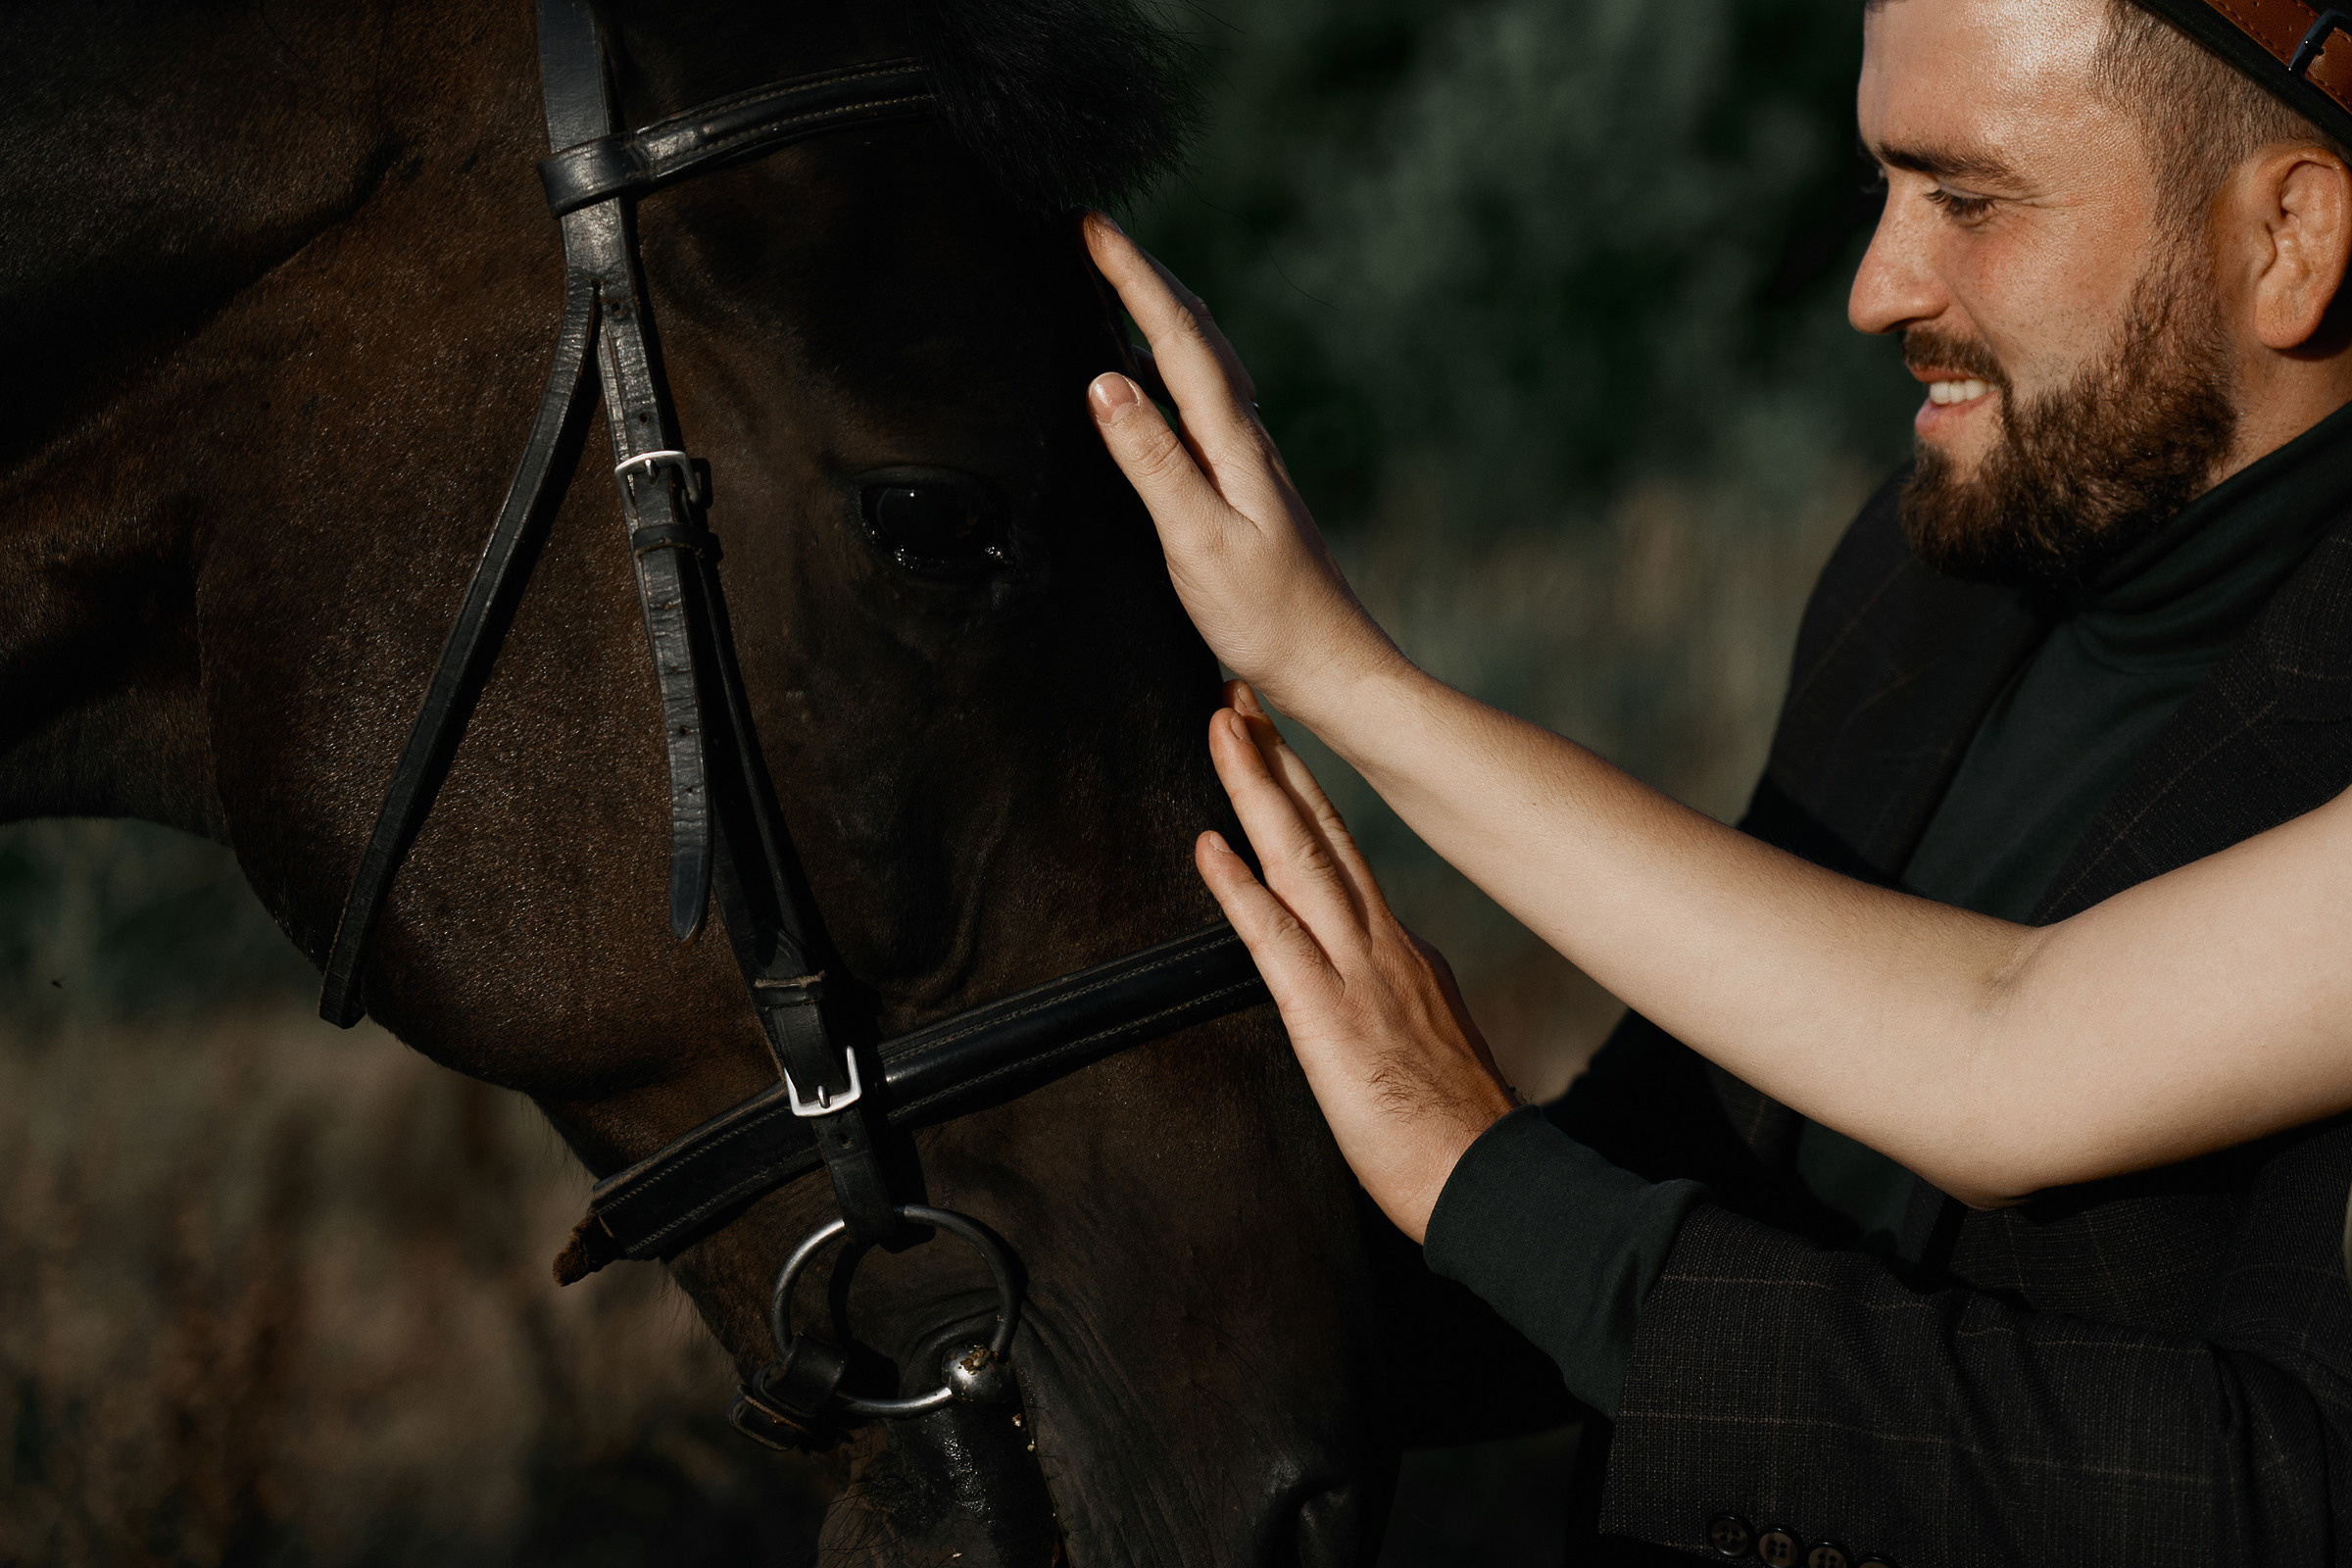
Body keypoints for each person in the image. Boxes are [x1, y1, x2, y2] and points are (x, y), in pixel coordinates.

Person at [1084, 0, 2352, 1562]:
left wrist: (1349, 681)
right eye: (1882, 187)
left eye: (1968, 200)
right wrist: (1087, 1274)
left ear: (2290, 236)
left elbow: (2270, 1498)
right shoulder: (1931, 585)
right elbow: (1694, 1148)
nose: (1874, 289)